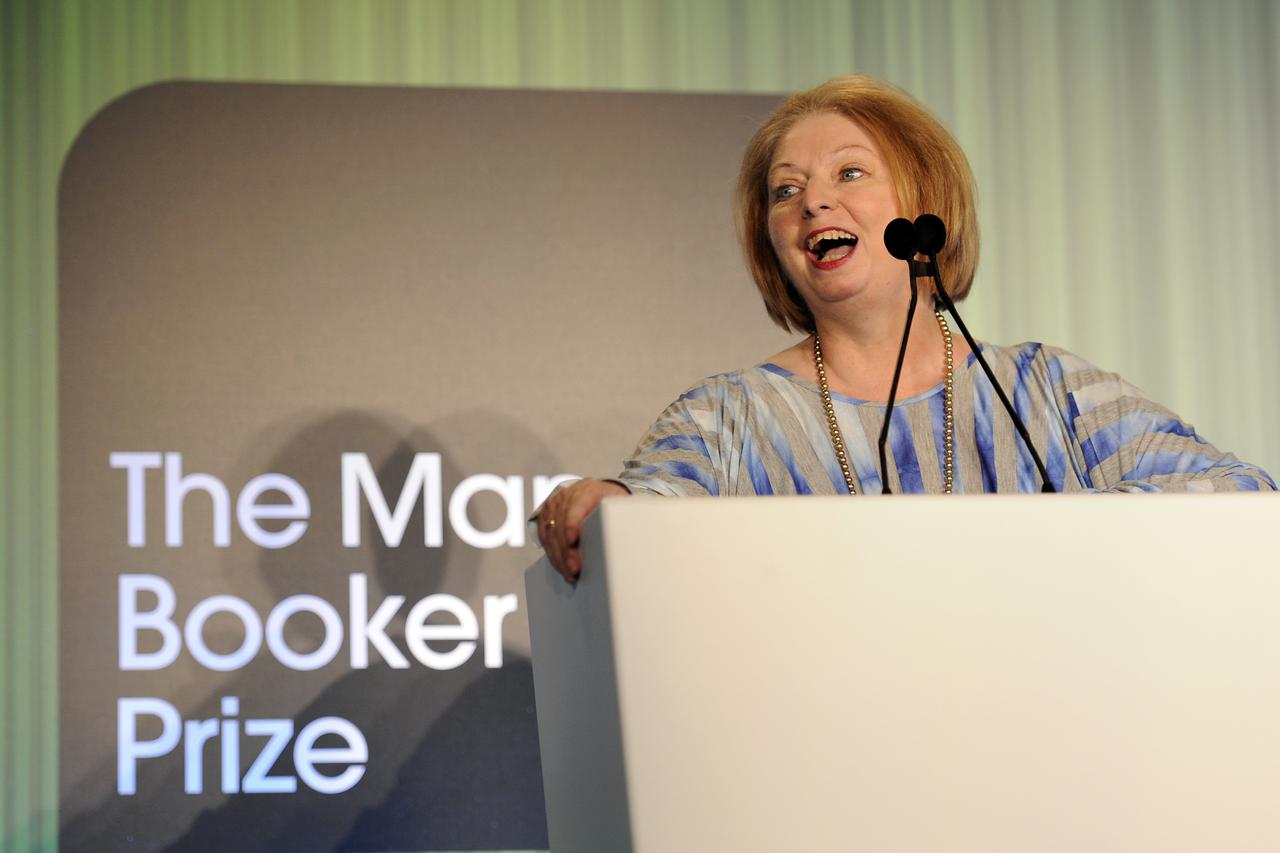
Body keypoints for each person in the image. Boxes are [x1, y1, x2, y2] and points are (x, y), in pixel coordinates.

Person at [535, 75, 1276, 582]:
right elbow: (641, 521)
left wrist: (1060, 541)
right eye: (785, 191)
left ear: (925, 204)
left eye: (849, 173)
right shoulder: (730, 416)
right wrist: (601, 503)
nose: (813, 203)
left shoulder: (1046, 390)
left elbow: (1240, 494)